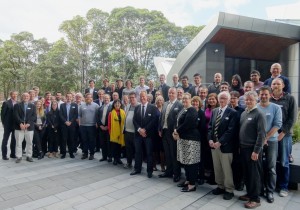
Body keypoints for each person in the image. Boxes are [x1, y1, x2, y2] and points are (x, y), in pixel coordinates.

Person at [270, 78, 297, 197]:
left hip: (284, 135)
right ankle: (272, 184)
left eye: (278, 83)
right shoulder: (269, 98)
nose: (276, 85)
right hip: (271, 134)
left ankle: (284, 187)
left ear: (283, 85)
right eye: (274, 83)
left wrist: (282, 133)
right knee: (271, 161)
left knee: (283, 161)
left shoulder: (290, 98)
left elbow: (292, 118)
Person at [207, 91, 237, 200]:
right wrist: (210, 140)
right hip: (213, 145)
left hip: (225, 146)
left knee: (226, 169)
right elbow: (210, 127)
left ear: (228, 100)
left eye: (224, 98)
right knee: (217, 167)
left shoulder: (232, 113)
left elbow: (230, 131)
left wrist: (220, 142)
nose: (222, 100)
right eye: (220, 98)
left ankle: (229, 189)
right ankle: (220, 186)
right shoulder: (215, 111)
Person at [239, 91, 266, 209]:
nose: (248, 101)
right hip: (243, 148)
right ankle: (250, 193)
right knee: (247, 174)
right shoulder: (244, 113)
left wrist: (256, 151)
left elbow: (261, 134)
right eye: (247, 99)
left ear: (256, 100)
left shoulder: (259, 114)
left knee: (254, 175)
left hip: (253, 150)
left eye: (251, 99)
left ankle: (255, 199)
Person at [257, 86, 282, 203]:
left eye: (266, 94)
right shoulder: (255, 107)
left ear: (270, 95)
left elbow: (277, 125)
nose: (263, 96)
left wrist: (265, 138)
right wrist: (261, 139)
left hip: (271, 141)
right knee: (259, 166)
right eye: (261, 94)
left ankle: (270, 191)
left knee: (271, 167)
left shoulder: (276, 108)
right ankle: (260, 189)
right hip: (258, 142)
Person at [175, 93, 201, 192]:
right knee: (185, 162)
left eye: (186, 98)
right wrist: (175, 131)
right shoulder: (183, 110)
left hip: (191, 140)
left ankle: (192, 184)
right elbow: (177, 121)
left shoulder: (192, 110)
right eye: (183, 99)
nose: (184, 100)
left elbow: (188, 124)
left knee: (191, 163)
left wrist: (177, 131)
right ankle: (188, 180)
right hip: (183, 139)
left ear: (190, 99)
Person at [130, 91, 158, 178]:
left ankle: (149, 171)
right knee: (138, 152)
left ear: (147, 97)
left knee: (149, 153)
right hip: (138, 135)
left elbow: (154, 121)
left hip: (148, 135)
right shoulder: (137, 107)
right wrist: (139, 130)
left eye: (144, 96)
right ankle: (137, 169)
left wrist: (144, 130)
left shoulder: (153, 107)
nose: (142, 98)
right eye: (141, 96)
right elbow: (134, 120)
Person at [158, 88, 183, 182]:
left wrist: (177, 131)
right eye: (169, 93)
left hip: (173, 133)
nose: (171, 94)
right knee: (167, 154)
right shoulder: (165, 103)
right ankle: (168, 172)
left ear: (176, 94)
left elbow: (180, 119)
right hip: (164, 132)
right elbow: (161, 117)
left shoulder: (179, 104)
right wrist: (160, 129)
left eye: (173, 93)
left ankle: (177, 174)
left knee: (174, 154)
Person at [14, 92, 37, 163]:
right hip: (19, 127)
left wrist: (28, 124)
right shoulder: (17, 105)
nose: (26, 97)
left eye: (27, 96)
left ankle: (29, 156)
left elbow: (34, 116)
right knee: (18, 142)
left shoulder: (33, 106)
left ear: (29, 97)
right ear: (22, 97)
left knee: (29, 142)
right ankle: (19, 156)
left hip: (29, 127)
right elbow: (16, 115)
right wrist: (20, 123)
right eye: (24, 96)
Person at [78, 93, 99, 160]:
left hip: (92, 126)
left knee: (92, 140)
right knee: (84, 140)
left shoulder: (96, 106)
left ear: (92, 98)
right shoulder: (81, 106)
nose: (88, 98)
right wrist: (79, 124)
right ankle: (85, 153)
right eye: (87, 97)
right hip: (83, 126)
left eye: (90, 97)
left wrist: (97, 123)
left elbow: (98, 116)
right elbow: (79, 116)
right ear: (85, 98)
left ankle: (92, 154)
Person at [191, 96, 206, 185]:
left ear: (199, 103)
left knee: (200, 159)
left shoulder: (201, 113)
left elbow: (203, 127)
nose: (195, 104)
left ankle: (201, 177)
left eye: (197, 102)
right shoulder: (190, 112)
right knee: (194, 159)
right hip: (191, 140)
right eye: (193, 102)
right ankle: (194, 175)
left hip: (200, 140)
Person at [204, 93, 219, 184]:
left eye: (213, 99)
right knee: (208, 156)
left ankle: (215, 177)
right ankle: (209, 175)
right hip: (207, 135)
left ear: (216, 100)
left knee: (215, 157)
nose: (211, 100)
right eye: (209, 99)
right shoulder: (207, 109)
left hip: (215, 136)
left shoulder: (218, 110)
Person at [59, 93, 78, 159]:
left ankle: (71, 153)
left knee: (71, 139)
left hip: (72, 125)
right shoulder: (62, 105)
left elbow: (75, 115)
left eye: (70, 97)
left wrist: (70, 122)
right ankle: (63, 153)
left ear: (72, 98)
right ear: (66, 97)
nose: (69, 98)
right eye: (68, 97)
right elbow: (60, 115)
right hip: (64, 125)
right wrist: (65, 121)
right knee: (63, 139)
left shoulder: (75, 105)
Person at [108, 99, 125, 165]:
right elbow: (109, 123)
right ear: (113, 105)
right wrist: (110, 132)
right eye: (116, 103)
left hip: (121, 133)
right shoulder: (111, 113)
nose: (117, 104)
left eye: (118, 103)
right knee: (114, 146)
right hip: (114, 133)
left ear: (120, 104)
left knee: (119, 146)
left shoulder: (123, 112)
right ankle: (115, 159)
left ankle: (118, 159)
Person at [124, 92, 139, 169]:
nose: (131, 99)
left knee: (137, 150)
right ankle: (129, 163)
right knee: (128, 149)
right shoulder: (128, 106)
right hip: (127, 131)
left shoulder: (139, 106)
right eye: (130, 98)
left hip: (135, 132)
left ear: (136, 97)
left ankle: (137, 165)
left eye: (133, 97)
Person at [1, 91, 18, 160]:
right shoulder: (6, 103)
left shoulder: (18, 103)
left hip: (15, 125)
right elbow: (2, 115)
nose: (14, 95)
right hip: (7, 125)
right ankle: (4, 155)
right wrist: (4, 123)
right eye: (13, 94)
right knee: (5, 140)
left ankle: (12, 154)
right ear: (10, 95)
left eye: (16, 94)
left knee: (14, 140)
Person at [97, 94, 112, 162]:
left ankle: (110, 156)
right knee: (102, 143)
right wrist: (100, 126)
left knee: (109, 143)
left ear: (110, 99)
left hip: (109, 128)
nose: (106, 99)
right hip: (101, 128)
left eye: (107, 98)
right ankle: (104, 156)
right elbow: (97, 118)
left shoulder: (112, 108)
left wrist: (107, 126)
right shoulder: (100, 108)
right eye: (105, 98)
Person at [154, 95, 166, 172]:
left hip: (163, 132)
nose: (159, 102)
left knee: (162, 150)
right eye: (158, 100)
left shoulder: (165, 109)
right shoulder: (154, 109)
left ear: (163, 101)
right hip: (155, 132)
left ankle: (162, 166)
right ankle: (154, 165)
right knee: (155, 149)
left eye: (161, 100)